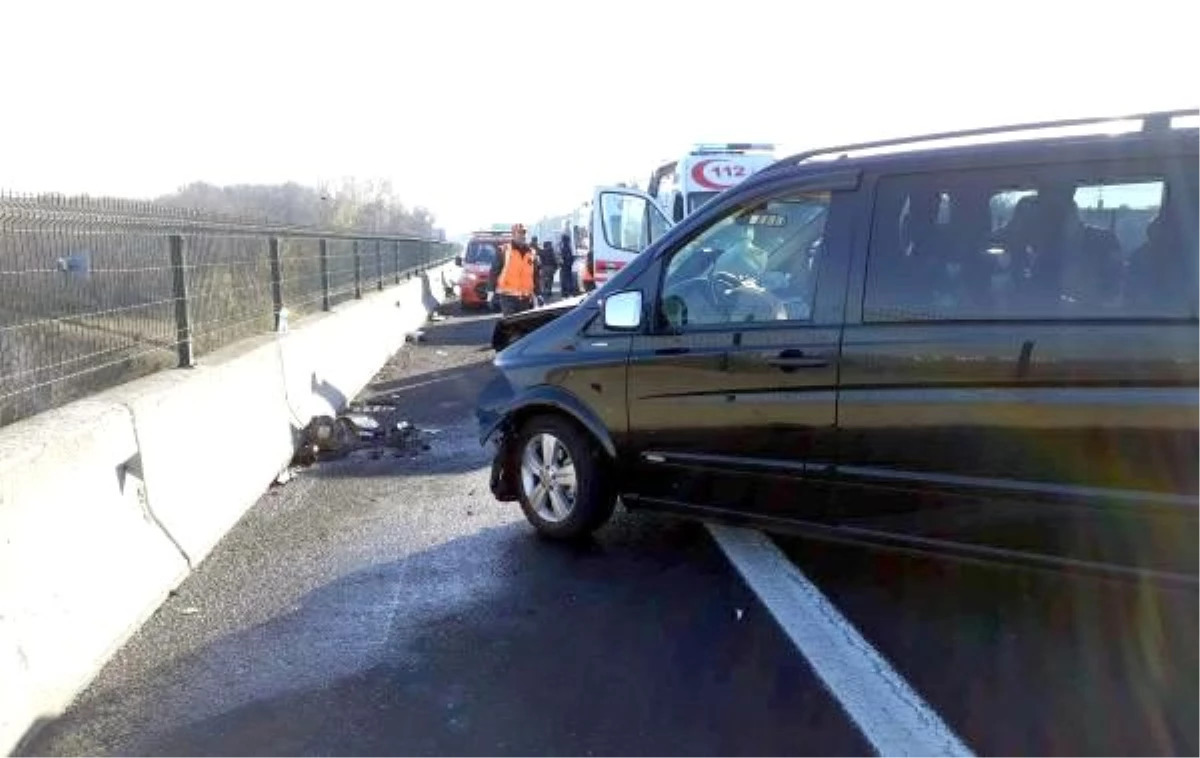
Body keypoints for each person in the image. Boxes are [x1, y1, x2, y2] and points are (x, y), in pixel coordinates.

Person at [490, 223, 537, 315]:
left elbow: (535, 274)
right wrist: (491, 292)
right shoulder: (504, 250)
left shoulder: (531, 252)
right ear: (513, 235)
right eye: (519, 233)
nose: (522, 236)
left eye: (524, 233)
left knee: (523, 324)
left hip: (525, 298)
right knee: (511, 324)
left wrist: (537, 294)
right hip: (508, 298)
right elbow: (494, 271)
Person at [558, 228, 576, 296]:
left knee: (564, 280)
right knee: (568, 280)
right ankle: (568, 292)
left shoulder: (563, 247)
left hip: (564, 267)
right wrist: (571, 261)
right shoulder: (567, 248)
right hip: (567, 267)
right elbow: (568, 258)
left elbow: (561, 258)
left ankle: (565, 292)